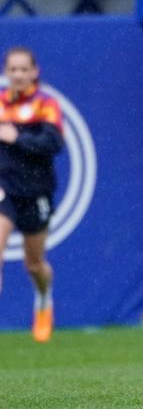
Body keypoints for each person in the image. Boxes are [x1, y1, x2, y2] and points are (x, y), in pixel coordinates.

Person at [0, 46, 65, 343]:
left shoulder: (46, 104)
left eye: (23, 69)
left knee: (34, 263)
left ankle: (43, 298)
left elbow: (52, 144)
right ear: (6, 72)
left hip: (36, 190)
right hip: (4, 189)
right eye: (13, 69)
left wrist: (18, 138)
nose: (18, 74)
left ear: (34, 72)